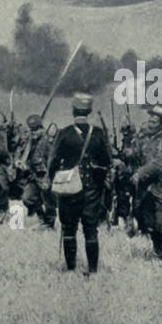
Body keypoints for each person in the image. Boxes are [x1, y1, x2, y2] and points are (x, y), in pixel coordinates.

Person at [46, 93, 111, 274]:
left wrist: (52, 180)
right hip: (92, 189)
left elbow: (53, 161)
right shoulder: (98, 133)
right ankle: (92, 270)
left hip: (69, 188)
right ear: (89, 111)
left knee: (69, 228)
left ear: (73, 110)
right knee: (91, 230)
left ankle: (71, 268)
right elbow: (107, 160)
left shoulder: (65, 133)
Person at [131, 106, 162, 261]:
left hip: (161, 186)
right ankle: (158, 252)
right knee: (149, 222)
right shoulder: (145, 139)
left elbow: (161, 164)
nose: (150, 123)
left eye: (154, 121)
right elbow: (136, 157)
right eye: (150, 120)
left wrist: (141, 172)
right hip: (145, 189)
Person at [18, 114, 55, 228]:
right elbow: (23, 155)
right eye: (31, 129)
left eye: (35, 129)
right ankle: (42, 218)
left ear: (41, 128)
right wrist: (21, 163)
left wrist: (48, 178)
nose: (33, 132)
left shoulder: (47, 142)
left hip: (45, 176)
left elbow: (52, 161)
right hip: (33, 176)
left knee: (48, 201)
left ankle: (49, 224)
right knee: (27, 198)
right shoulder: (30, 142)